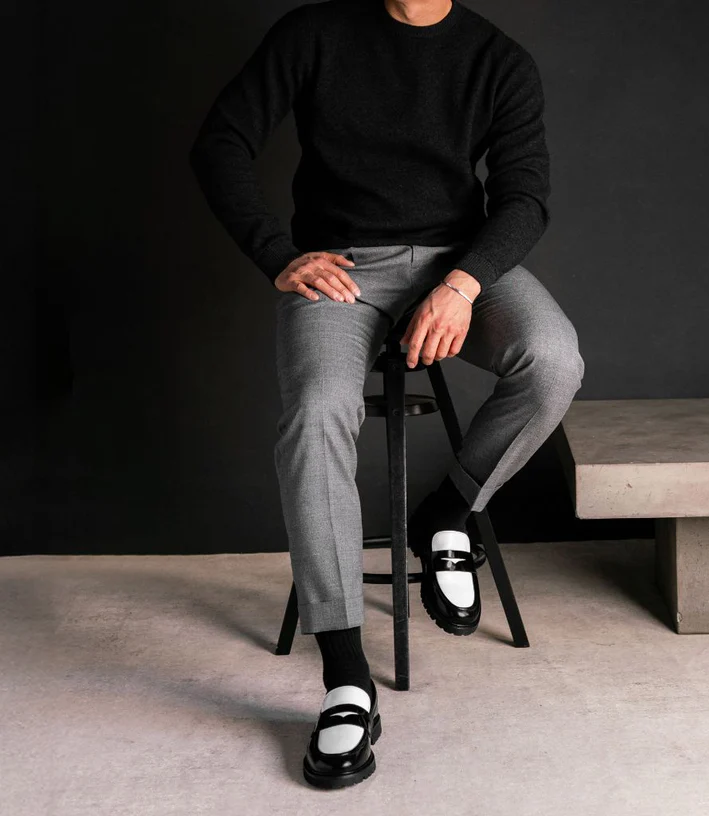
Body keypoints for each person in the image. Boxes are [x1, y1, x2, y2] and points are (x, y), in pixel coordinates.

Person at [189, 0, 585, 789]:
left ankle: (447, 513)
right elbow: (220, 141)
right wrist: (277, 253)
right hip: (339, 267)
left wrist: (464, 283)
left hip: (457, 264)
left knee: (552, 360)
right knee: (316, 412)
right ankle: (345, 680)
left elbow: (524, 197)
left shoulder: (497, 58)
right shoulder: (314, 33)